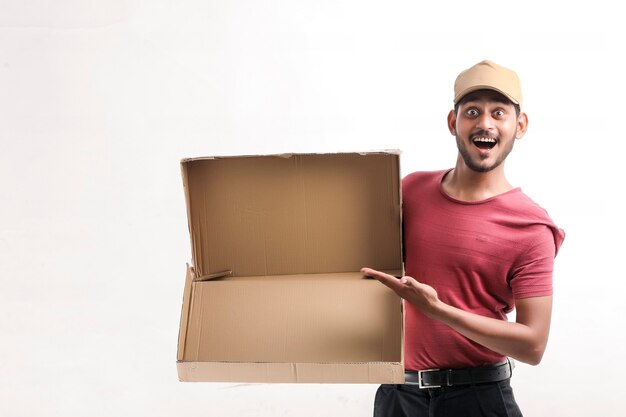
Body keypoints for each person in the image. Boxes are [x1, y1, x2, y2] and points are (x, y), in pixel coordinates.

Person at [362, 60, 565, 417]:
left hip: (476, 398)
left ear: (520, 126)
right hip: (397, 394)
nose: (484, 123)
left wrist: (438, 311)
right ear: (453, 122)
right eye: (472, 111)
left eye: (498, 112)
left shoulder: (532, 228)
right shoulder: (410, 190)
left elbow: (533, 345)